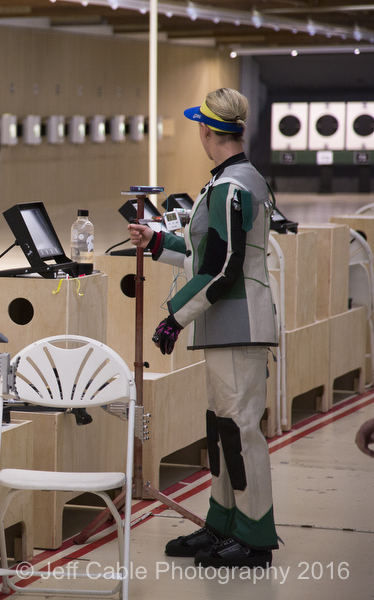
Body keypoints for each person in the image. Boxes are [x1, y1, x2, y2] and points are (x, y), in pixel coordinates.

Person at [127, 88, 279, 568]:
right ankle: (224, 524)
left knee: (241, 430)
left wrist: (173, 316)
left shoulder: (230, 186)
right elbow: (207, 254)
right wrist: (158, 241)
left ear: (207, 132)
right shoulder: (236, 181)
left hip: (239, 324)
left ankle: (254, 539)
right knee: (223, 429)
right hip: (227, 324)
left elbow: (222, 268)